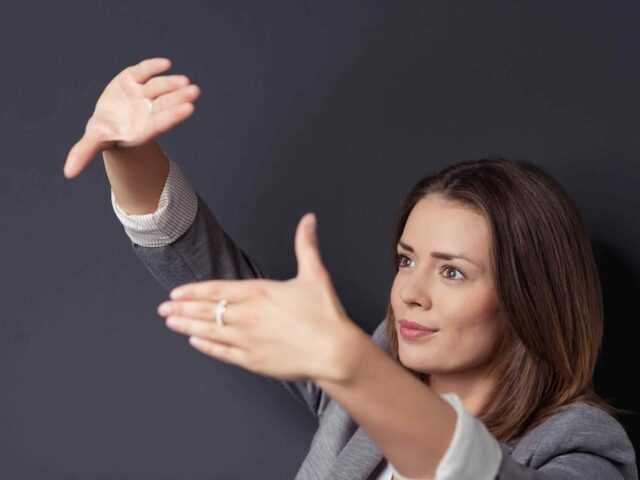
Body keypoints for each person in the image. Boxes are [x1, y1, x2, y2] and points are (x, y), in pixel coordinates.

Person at [64, 58, 638, 480]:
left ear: (531, 295)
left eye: (453, 272)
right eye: (407, 260)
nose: (410, 293)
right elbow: (214, 275)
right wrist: (128, 153)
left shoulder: (581, 444)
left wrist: (353, 366)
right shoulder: (367, 384)